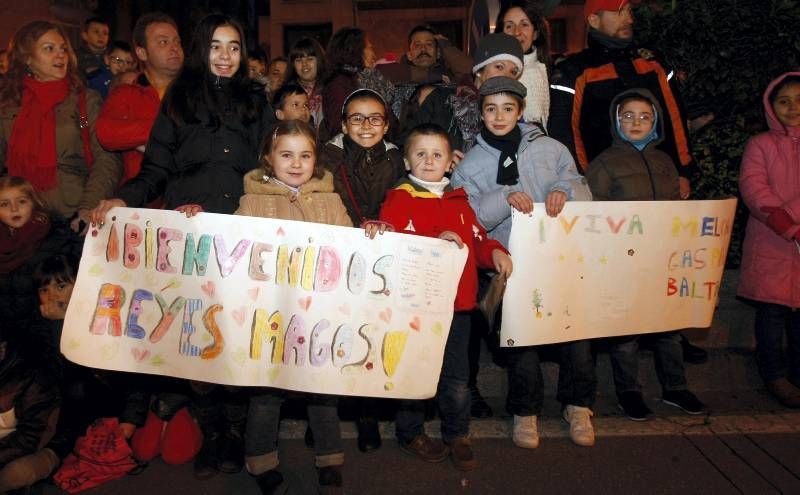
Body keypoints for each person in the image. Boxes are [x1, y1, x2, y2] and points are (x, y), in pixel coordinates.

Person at [89, 13, 274, 480]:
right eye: (216, 46)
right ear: (200, 50)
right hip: (189, 238)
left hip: (241, 236)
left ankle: (233, 432)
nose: (226, 56)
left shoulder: (256, 98)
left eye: (234, 47)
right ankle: (212, 433)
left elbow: (272, 166)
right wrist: (121, 199)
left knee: (236, 337)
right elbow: (155, 169)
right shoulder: (178, 98)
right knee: (199, 338)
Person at [547, 0, 707, 363]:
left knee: (663, 263)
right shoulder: (573, 69)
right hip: (607, 191)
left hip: (658, 185)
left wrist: (684, 171)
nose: (628, 18)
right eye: (619, 11)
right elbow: (565, 134)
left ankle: (671, 335)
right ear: (593, 18)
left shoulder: (653, 63)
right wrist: (583, 186)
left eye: (629, 11)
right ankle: (613, 342)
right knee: (617, 270)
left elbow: (675, 119)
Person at [451, 77, 596, 449]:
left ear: (520, 110)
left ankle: (578, 406)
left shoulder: (550, 147)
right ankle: (525, 411)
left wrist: (565, 192)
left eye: (507, 108)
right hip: (508, 266)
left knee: (575, 335)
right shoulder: (471, 162)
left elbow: (579, 184)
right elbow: (468, 218)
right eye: (490, 108)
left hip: (559, 260)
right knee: (521, 343)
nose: (499, 116)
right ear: (481, 113)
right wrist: (504, 196)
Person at [367, 123, 512, 471]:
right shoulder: (399, 198)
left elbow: (477, 239)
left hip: (458, 308)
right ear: (406, 161)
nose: (429, 160)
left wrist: (493, 252)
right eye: (420, 154)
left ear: (450, 163)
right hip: (415, 308)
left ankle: (457, 433)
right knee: (414, 373)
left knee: (458, 378)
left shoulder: (459, 199)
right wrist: (435, 240)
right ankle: (410, 432)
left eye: (437, 155)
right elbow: (391, 242)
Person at [232, 119, 347, 494]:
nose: (296, 163)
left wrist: (372, 235)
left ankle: (330, 458)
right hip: (270, 317)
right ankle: (261, 460)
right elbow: (231, 247)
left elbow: (351, 247)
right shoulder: (251, 202)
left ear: (317, 160)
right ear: (269, 159)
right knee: (266, 394)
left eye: (305, 155)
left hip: (318, 316)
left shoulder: (331, 201)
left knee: (322, 391)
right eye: (286, 155)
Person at [586, 89, 706, 420]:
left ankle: (676, 388)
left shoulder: (664, 161)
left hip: (662, 258)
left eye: (644, 116)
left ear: (655, 121)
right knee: (627, 330)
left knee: (669, 327)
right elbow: (590, 208)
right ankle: (629, 392)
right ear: (615, 121)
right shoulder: (605, 161)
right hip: (624, 260)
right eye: (628, 115)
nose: (636, 122)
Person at [318, 88, 405, 452]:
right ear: (342, 123)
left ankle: (368, 414)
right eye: (357, 118)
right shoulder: (326, 156)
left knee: (371, 335)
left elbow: (407, 193)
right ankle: (323, 415)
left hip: (382, 257)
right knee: (334, 334)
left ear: (385, 125)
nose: (366, 125)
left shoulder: (399, 158)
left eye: (374, 118)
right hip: (340, 255)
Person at [0, 20, 123, 228]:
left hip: (72, 216)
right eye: (49, 49)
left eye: (63, 49)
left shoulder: (84, 101)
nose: (61, 55)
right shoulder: (9, 103)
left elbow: (106, 158)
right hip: (20, 219)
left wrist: (88, 208)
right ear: (27, 58)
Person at [737, 72, 800, 409]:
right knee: (771, 316)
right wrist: (785, 221)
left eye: (798, 100)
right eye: (784, 101)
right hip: (771, 242)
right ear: (771, 106)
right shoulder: (760, 144)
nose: (792, 107)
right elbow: (753, 186)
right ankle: (774, 375)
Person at [96, 12, 184, 186]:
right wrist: (166, 128)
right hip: (142, 200)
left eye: (177, 42)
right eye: (163, 42)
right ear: (142, 52)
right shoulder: (127, 93)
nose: (174, 48)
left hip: (192, 202)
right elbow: (106, 133)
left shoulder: (196, 91)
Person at [0, 324, 61, 493]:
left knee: (12, 475)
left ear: (3, 348)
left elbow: (33, 436)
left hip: (40, 445)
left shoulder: (32, 377)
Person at [321, 27, 393, 142]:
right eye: (369, 48)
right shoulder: (340, 83)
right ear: (355, 50)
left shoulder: (371, 79)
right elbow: (338, 125)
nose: (373, 53)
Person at [495, 1, 551, 128]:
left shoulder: (549, 72)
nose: (516, 32)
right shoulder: (490, 72)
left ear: (535, 33)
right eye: (509, 26)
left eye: (524, 25)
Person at [377, 25, 473, 85]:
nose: (423, 49)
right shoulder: (399, 77)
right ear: (409, 55)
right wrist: (430, 77)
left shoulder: (449, 78)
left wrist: (447, 47)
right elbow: (379, 74)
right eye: (417, 45)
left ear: (438, 54)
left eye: (429, 44)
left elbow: (471, 71)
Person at [286, 37, 326, 129]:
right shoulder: (287, 94)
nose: (304, 64)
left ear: (319, 60)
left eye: (310, 59)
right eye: (298, 60)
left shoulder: (330, 89)